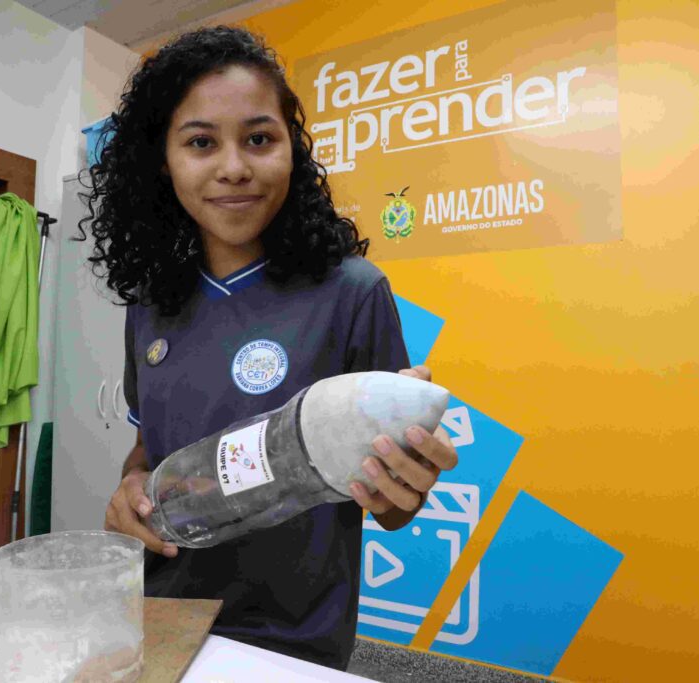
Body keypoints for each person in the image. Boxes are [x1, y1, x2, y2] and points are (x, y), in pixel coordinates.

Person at [80, 26, 458, 670]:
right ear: (163, 160)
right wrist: (131, 489)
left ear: (292, 151)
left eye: (259, 139)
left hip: (294, 640)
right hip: (162, 614)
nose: (234, 167)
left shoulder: (352, 292)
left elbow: (390, 508)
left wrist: (407, 487)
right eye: (201, 142)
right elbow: (148, 449)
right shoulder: (151, 302)